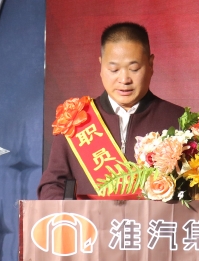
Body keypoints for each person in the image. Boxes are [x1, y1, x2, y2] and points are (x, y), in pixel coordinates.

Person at [37, 22, 184, 200]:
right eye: (114, 69)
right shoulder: (76, 121)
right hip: (88, 219)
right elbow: (52, 186)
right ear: (101, 65)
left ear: (150, 64)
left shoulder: (179, 120)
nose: (124, 79)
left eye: (134, 69)